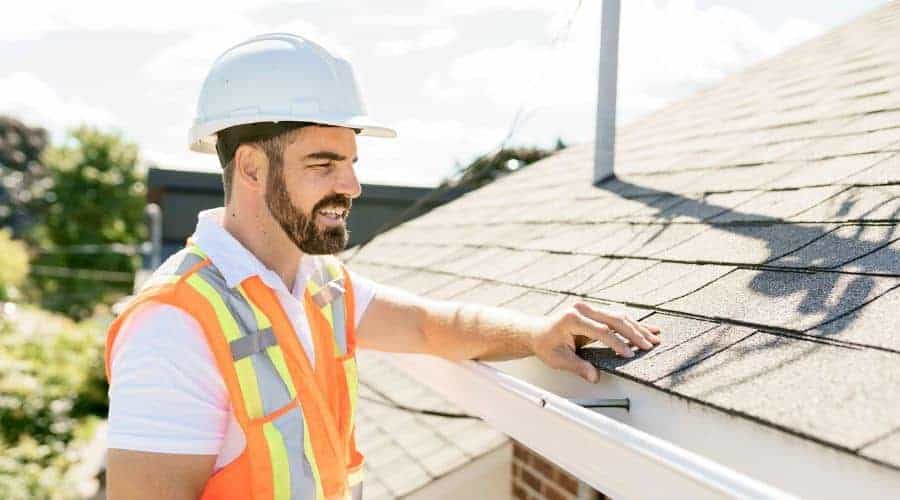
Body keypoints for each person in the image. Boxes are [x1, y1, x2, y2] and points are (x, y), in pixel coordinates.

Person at [104, 33, 661, 500]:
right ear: (251, 167)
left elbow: (429, 326)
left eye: (350, 162)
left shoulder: (317, 284)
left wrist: (539, 333)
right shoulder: (173, 325)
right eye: (322, 163)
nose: (351, 186)